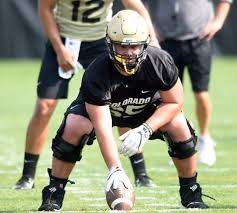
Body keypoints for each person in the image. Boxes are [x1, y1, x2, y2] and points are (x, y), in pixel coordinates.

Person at [38, 10, 212, 211]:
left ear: (145, 45)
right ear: (110, 44)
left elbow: (175, 103)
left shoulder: (160, 61)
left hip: (146, 109)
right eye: (122, 46)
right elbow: (103, 127)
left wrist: (146, 129)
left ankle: (191, 190)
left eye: (135, 46)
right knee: (74, 125)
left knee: (180, 125)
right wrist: (115, 168)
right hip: (107, 112)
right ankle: (54, 191)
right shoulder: (97, 71)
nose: (129, 53)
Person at [14, 0, 159, 190]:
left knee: (121, 102)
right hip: (64, 38)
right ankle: (27, 176)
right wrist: (59, 49)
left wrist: (153, 41)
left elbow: (137, 7)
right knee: (44, 107)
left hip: (100, 41)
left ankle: (141, 174)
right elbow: (45, 9)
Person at [144, 0, 232, 166]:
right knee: (170, 98)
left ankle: (205, 138)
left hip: (198, 40)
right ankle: (181, 144)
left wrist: (217, 22)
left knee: (201, 93)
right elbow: (140, 3)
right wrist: (150, 28)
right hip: (167, 42)